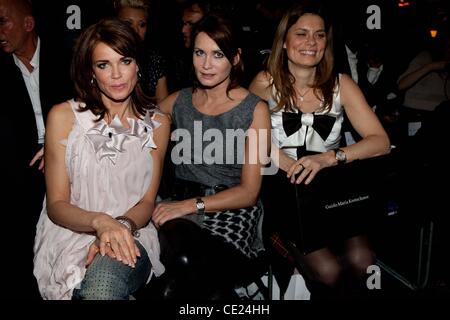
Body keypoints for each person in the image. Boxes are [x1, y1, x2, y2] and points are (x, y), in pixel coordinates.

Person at [249, 3, 390, 298]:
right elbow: (248, 136)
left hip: (332, 189)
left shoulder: (342, 84)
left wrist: (329, 158)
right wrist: (287, 162)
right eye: (301, 34)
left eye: (319, 35)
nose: (311, 42)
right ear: (284, 41)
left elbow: (380, 141)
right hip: (283, 189)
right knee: (327, 271)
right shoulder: (264, 83)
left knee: (363, 261)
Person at [33, 18, 170, 300]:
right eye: (104, 64)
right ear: (91, 72)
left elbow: (147, 202)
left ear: (139, 65)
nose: (117, 75)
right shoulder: (63, 117)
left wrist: (118, 226)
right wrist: (100, 223)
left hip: (131, 232)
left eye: (125, 61)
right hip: (69, 234)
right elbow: (57, 205)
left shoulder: (159, 123)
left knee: (102, 285)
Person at [153, 14, 271, 299]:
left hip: (231, 210)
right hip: (179, 209)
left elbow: (249, 193)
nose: (206, 65)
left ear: (235, 58)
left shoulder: (254, 110)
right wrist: (76, 137)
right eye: (199, 53)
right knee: (187, 271)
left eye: (217, 54)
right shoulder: (179, 101)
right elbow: (131, 124)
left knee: (184, 270)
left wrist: (190, 206)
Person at [0, 0, 72, 299]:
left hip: (70, 158)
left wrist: (59, 149)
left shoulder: (67, 58)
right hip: (22, 171)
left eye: (4, 21)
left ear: (28, 25)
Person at [114, 0, 169, 103]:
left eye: (142, 25)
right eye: (128, 23)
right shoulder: (104, 55)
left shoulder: (154, 60)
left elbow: (163, 106)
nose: (135, 30)